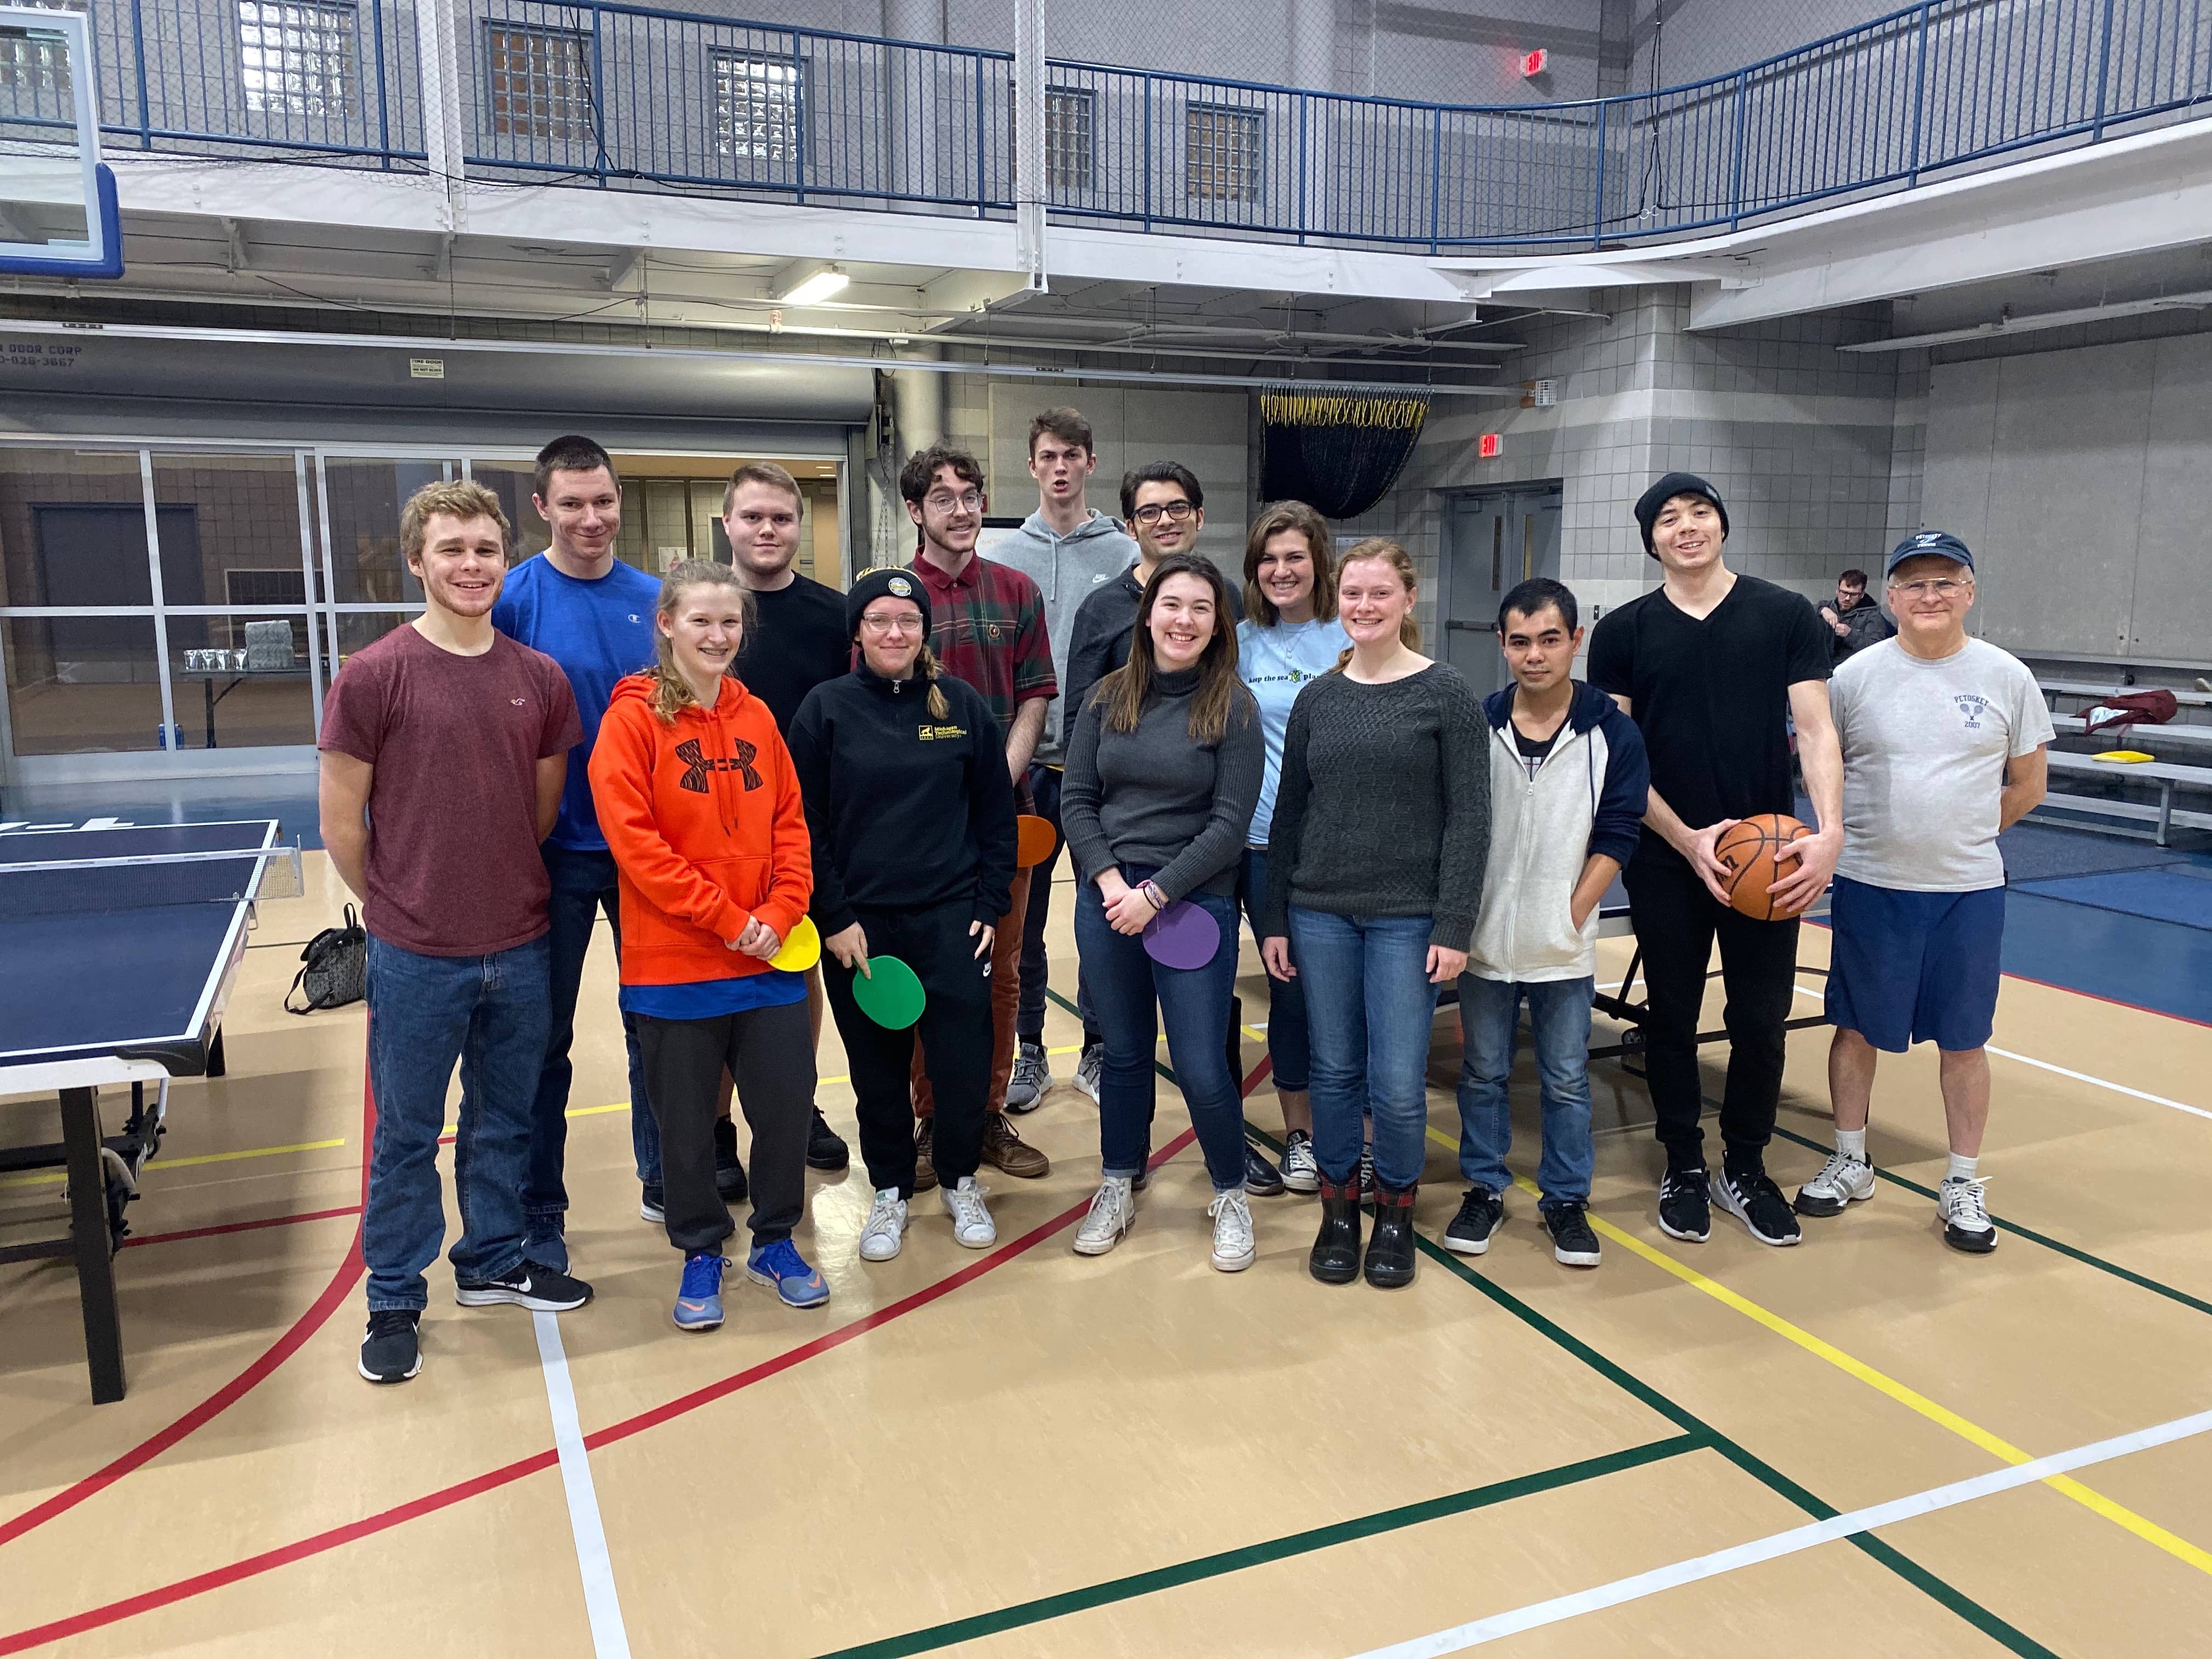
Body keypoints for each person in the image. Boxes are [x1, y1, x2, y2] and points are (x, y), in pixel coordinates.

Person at [320, 479, 589, 1386]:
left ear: (504, 557)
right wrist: (404, 905)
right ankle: (393, 1293)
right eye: (452, 549)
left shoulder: (538, 679)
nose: (471, 565)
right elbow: (343, 826)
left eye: (484, 549)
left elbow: (541, 809)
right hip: (415, 952)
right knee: (405, 1131)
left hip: (520, 943)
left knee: (504, 1117)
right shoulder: (374, 676)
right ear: (416, 560)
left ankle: (492, 1259)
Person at [1587, 472, 1844, 1250]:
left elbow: (1818, 728)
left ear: (1723, 526)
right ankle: (1683, 1164)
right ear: (1651, 540)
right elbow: (1617, 758)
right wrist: (1687, 838)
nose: (1687, 526)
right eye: (1668, 518)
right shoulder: (1624, 632)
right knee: (1669, 1018)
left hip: (1769, 854)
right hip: (1669, 857)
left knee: (1761, 1021)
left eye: (1700, 513)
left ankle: (1747, 1162)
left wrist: (1828, 831)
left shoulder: (1785, 614)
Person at [1792, 532, 2051, 1254]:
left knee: (1964, 1041)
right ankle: (1851, 1158)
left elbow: (2029, 784)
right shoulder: (1854, 678)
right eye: (1914, 585)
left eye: (1945, 583)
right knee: (1855, 1028)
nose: (1929, 597)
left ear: (1969, 592)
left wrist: (1965, 830)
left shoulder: (2006, 677)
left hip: (1968, 893)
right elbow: (1824, 768)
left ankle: (1963, 1180)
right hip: (1871, 885)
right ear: (1893, 597)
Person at [589, 560, 825, 1329]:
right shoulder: (630, 723)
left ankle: (777, 1241)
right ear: (667, 625)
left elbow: (791, 823)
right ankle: (700, 1249)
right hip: (677, 965)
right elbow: (638, 848)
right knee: (686, 1127)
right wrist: (730, 920)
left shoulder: (758, 719)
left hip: (770, 959)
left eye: (730, 623)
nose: (718, 635)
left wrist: (784, 911)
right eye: (701, 621)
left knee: (784, 1113)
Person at [1261, 539, 1487, 1290]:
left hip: (1407, 918)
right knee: (1333, 1071)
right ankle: (1338, 1208)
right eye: (1352, 594)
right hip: (1320, 911)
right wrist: (1276, 919)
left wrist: (1454, 925)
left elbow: (1470, 819)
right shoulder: (1318, 699)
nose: (1363, 606)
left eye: (1378, 594)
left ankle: (1394, 1211)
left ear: (1406, 600)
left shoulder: (1446, 692)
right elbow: (1289, 813)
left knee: (1394, 1081)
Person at [788, 567, 1018, 1261]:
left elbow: (995, 814)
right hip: (861, 927)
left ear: (926, 632)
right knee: (876, 1068)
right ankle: (889, 1190)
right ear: (858, 631)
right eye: (880, 620)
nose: (896, 633)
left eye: (909, 621)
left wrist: (989, 901)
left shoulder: (962, 706)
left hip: (952, 918)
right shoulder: (824, 709)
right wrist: (834, 916)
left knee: (960, 1061)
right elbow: (806, 822)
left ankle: (960, 1177)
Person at [1062, 554, 1266, 1270]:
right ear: (1147, 614)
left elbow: (1229, 822)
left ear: (1219, 625)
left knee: (1203, 1062)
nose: (1184, 620)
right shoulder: (1104, 698)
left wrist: (1157, 894)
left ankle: (1230, 1192)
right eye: (1171, 605)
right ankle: (1119, 1179)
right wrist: (1113, 883)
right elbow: (1077, 800)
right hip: (1109, 900)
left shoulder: (1234, 706)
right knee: (1121, 1052)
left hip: (1191, 903)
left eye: (1201, 609)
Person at [490, 435, 661, 1271]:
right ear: (542, 509)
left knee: (656, 1028)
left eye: (604, 501)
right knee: (542, 1043)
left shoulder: (657, 601)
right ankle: (540, 1208)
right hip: (550, 858)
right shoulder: (514, 598)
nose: (591, 519)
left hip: (645, 859)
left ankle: (664, 1176)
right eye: (573, 504)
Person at [1447, 578, 1647, 1270]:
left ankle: (1565, 1198)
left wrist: (1573, 910)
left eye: (1550, 640)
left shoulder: (1612, 732)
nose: (1536, 656)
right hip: (1482, 940)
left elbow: (1620, 831)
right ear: (1502, 645)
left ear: (1575, 641)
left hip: (1562, 944)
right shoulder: (1479, 724)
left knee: (1565, 1077)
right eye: (1521, 642)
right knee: (1482, 1072)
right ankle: (1484, 1187)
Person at [901, 444, 1054, 1184]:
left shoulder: (1019, 592)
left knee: (1001, 971)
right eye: (942, 498)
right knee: (932, 974)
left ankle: (988, 1114)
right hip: (920, 830)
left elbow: (1033, 698)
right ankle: (934, 1119)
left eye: (970, 495)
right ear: (914, 511)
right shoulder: (894, 600)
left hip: (1007, 816)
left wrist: (997, 784)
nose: (960, 510)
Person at [991, 408, 1141, 1114]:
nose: (1059, 467)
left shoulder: (1122, 551)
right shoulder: (1004, 555)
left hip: (1101, 771)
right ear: (1032, 466)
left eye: (1072, 455)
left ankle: (1100, 1047)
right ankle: (1029, 1050)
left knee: (1100, 915)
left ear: (1089, 463)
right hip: (1024, 769)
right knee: (1021, 924)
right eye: (1047, 455)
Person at [723, 460, 855, 1177]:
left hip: (801, 829)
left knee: (797, 968)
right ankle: (714, 1128)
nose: (767, 529)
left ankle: (795, 1105)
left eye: (781, 517)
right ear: (728, 525)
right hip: (710, 833)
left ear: (799, 527)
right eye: (753, 517)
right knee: (714, 980)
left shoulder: (835, 617)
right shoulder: (703, 609)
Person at [1234, 501, 1347, 1197]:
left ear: (1320, 563)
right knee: (1290, 991)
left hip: (1337, 847)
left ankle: (1354, 1133)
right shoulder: (1239, 641)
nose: (1281, 570)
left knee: (1337, 995)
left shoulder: (1350, 634)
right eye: (1269, 559)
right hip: (1256, 846)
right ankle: (1300, 1136)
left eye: (1295, 557)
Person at [1820, 567, 1896, 663]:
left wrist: (1850, 634)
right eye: (1844, 592)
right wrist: (1822, 610)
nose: (1847, 598)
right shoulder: (1826, 606)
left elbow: (1876, 648)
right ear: (1838, 590)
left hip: (1851, 669)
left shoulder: (1873, 616)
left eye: (1854, 595)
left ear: (1862, 595)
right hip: (1821, 668)